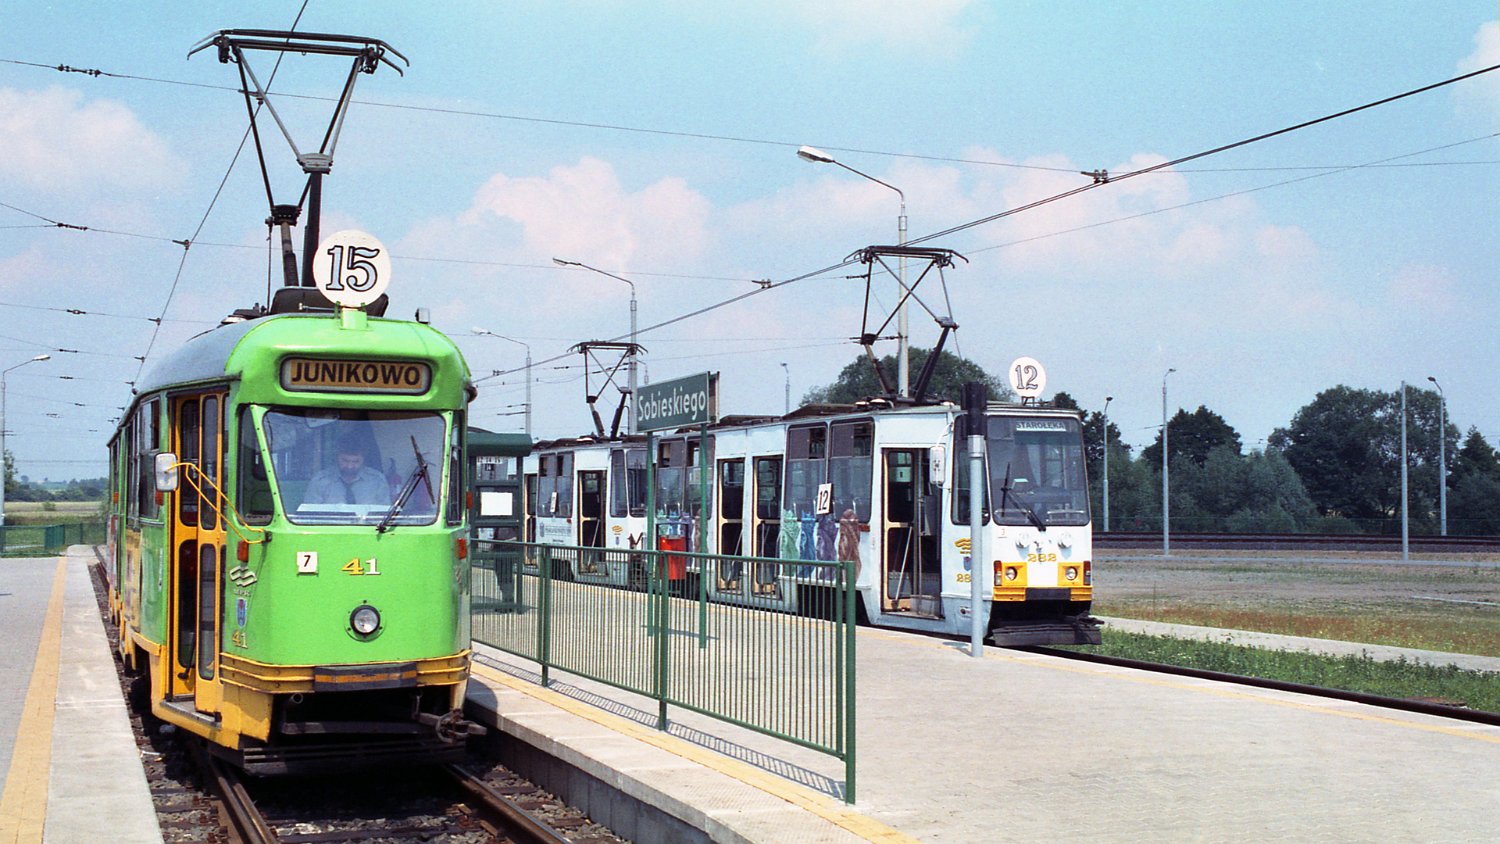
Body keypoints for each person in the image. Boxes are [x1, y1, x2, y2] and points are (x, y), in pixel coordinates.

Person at [303, 437, 390, 506]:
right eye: (345, 460)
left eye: (356, 461)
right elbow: (310, 516)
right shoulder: (320, 481)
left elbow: (384, 513)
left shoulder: (377, 481)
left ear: (363, 459)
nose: (349, 466)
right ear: (337, 457)